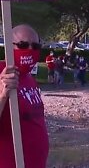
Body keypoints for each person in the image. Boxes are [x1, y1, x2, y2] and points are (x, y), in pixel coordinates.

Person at [0, 24, 49, 168]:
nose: (29, 50)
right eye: (22, 45)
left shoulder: (28, 77)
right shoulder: (2, 74)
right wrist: (3, 93)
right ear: (9, 46)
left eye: (35, 46)